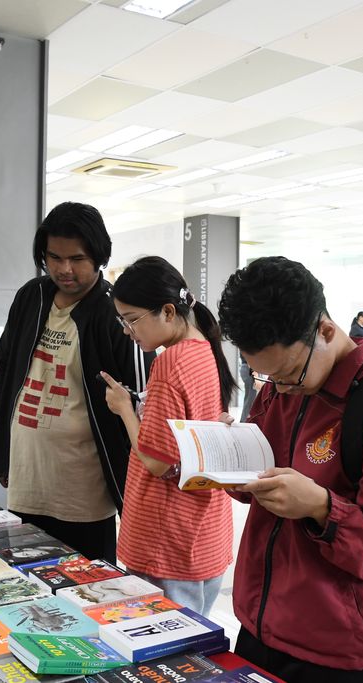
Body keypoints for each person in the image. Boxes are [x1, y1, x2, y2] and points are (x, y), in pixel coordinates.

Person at [217, 257, 363, 683]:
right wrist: (230, 457)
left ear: (325, 331)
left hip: (341, 651)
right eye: (266, 377)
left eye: (287, 374)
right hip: (260, 626)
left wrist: (322, 508)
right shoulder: (282, 388)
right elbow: (260, 483)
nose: (279, 388)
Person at [0, 202, 152, 564]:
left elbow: (143, 399)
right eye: (54, 257)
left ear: (98, 256)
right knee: (24, 585)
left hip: (84, 492)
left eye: (77, 258)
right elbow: (4, 373)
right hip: (27, 479)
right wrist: (2, 451)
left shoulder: (114, 312)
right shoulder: (31, 297)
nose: (64, 269)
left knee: (87, 592)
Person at [101, 256, 235, 617]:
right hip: (203, 534)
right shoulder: (206, 350)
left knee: (166, 655)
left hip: (166, 540)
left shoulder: (169, 363)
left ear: (168, 311)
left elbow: (158, 461)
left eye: (132, 320)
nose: (128, 331)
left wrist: (125, 409)